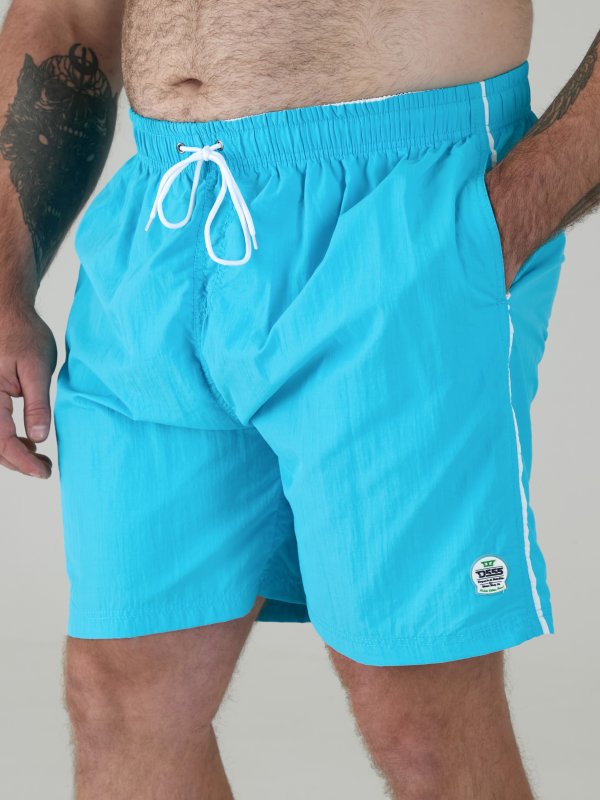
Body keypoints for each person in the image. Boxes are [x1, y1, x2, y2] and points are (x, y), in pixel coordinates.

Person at [0, 0, 597, 796]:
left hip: (400, 206)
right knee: (123, 694)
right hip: (163, 220)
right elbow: (68, 16)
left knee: (420, 710)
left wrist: (510, 213)